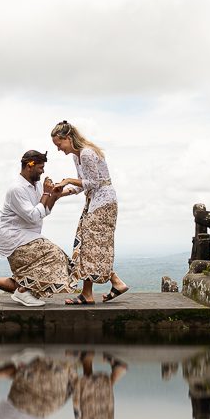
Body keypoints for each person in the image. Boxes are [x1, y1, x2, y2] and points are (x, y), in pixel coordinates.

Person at [0, 149, 73, 307]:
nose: (43, 171)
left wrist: (53, 196)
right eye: (40, 167)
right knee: (55, 255)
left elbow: (43, 210)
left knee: (26, 282)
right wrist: (46, 193)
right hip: (15, 237)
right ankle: (23, 293)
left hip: (28, 236)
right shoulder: (17, 189)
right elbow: (33, 216)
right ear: (29, 166)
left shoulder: (35, 186)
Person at [50, 121, 130, 305]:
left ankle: (93, 291)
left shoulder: (86, 153)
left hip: (103, 204)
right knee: (90, 245)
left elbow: (93, 182)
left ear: (68, 139)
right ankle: (112, 283)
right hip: (95, 202)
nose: (58, 149)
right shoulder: (77, 156)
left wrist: (68, 180)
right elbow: (83, 184)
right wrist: (61, 193)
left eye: (59, 144)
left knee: (91, 245)